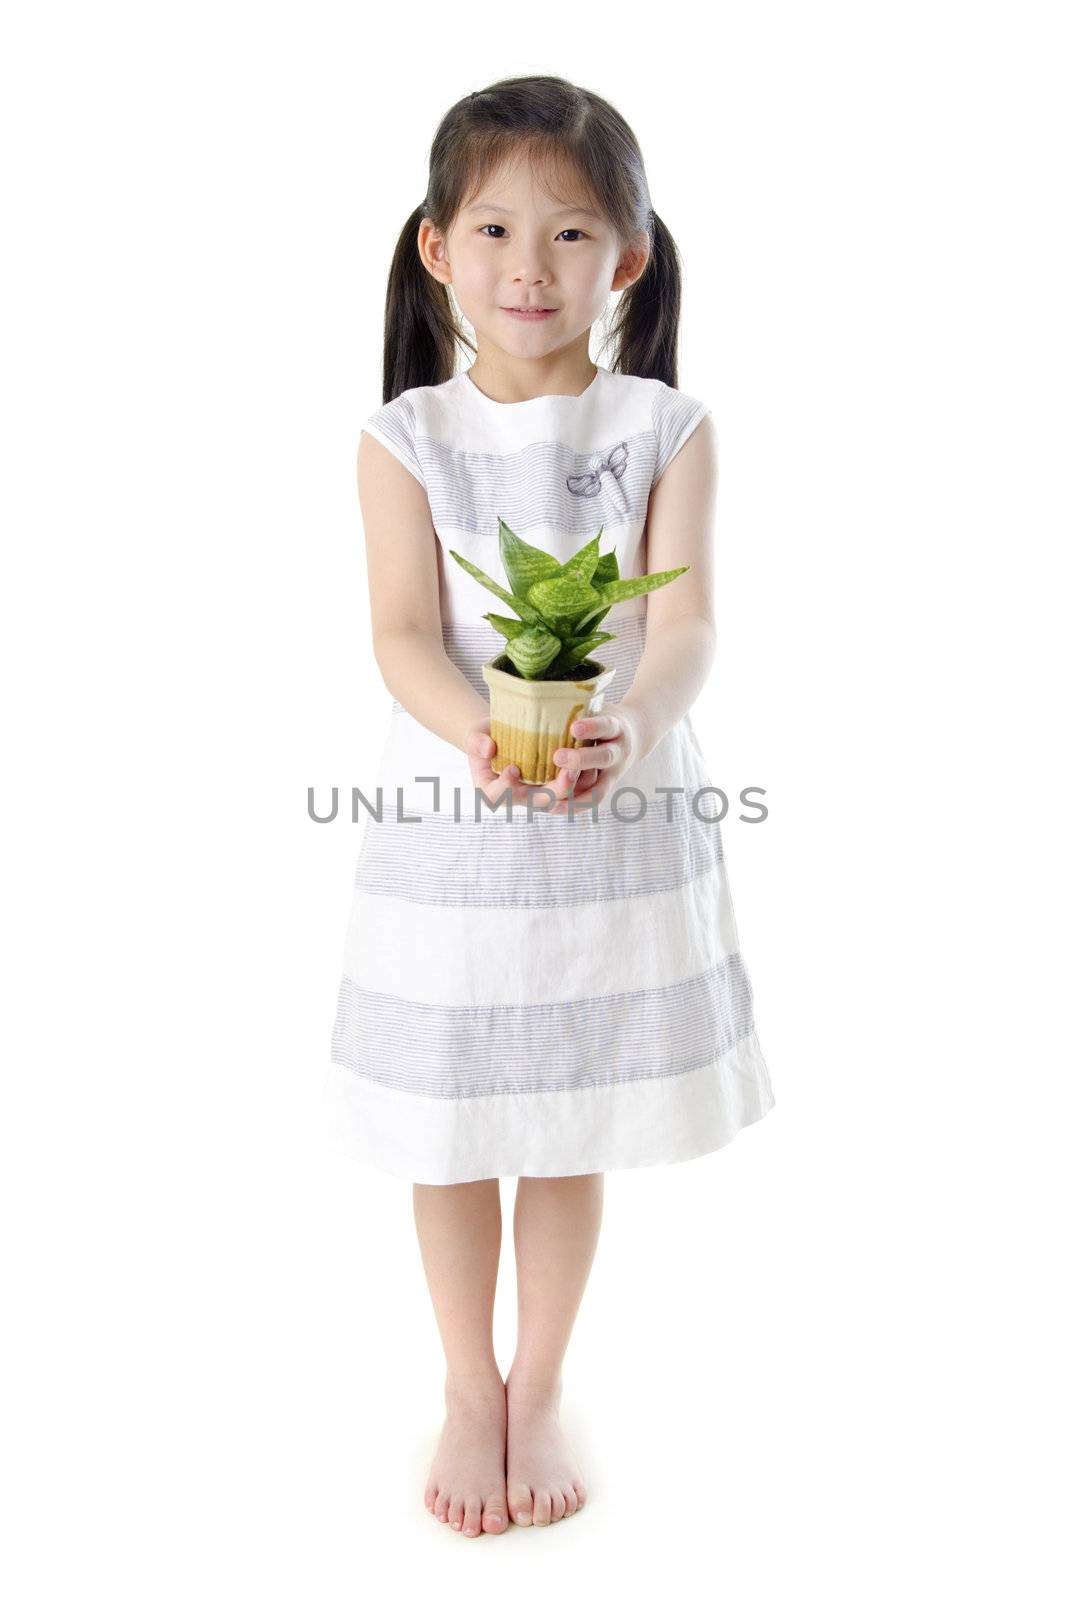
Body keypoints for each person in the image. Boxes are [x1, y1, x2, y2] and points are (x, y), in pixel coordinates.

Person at [320, 74, 776, 1538]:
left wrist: (626, 724)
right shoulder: (406, 436)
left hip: (611, 806)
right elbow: (401, 633)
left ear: (626, 258)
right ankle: (467, 1384)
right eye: (500, 226)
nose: (534, 264)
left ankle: (546, 1375)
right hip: (456, 824)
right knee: (453, 1120)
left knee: (566, 1109)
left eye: (574, 233)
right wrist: (483, 733)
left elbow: (689, 624)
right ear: (439, 248)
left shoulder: (666, 422)